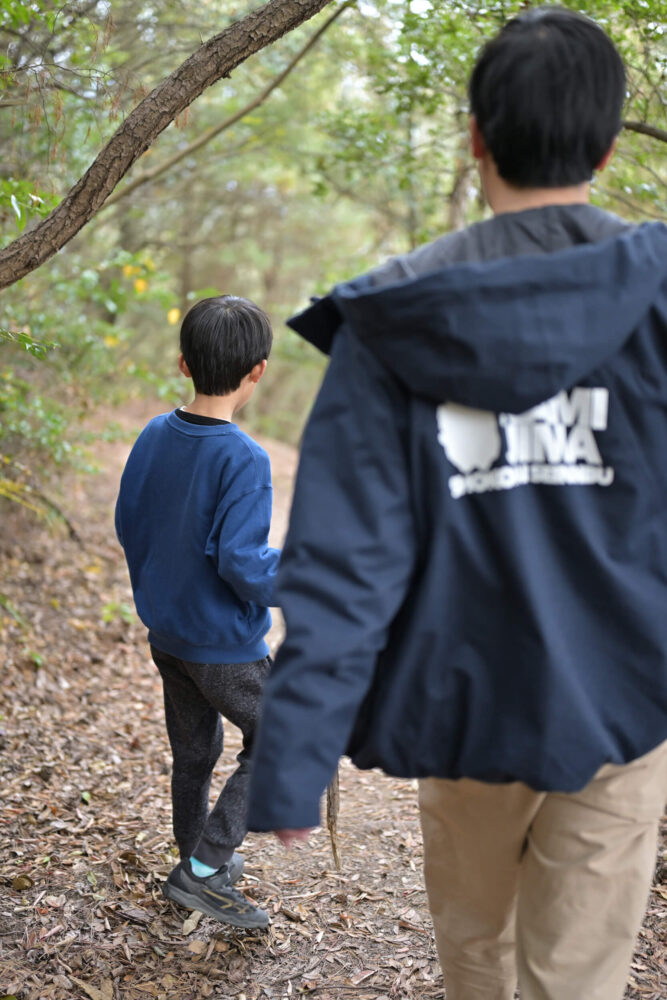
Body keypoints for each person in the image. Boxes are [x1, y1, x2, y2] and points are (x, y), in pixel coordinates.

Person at [246, 7, 667, 998]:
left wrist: (294, 758)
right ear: (607, 146)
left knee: (477, 954)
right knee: (578, 976)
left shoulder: (396, 319)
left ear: (474, 135)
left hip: (469, 704)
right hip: (628, 703)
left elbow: (347, 560)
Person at [115, 295, 280, 930]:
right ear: (257, 371)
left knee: (194, 751)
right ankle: (205, 871)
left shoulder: (155, 434)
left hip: (169, 635)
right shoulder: (244, 459)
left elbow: (130, 523)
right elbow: (243, 564)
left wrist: (158, 591)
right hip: (222, 646)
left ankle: (193, 857)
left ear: (184, 363)